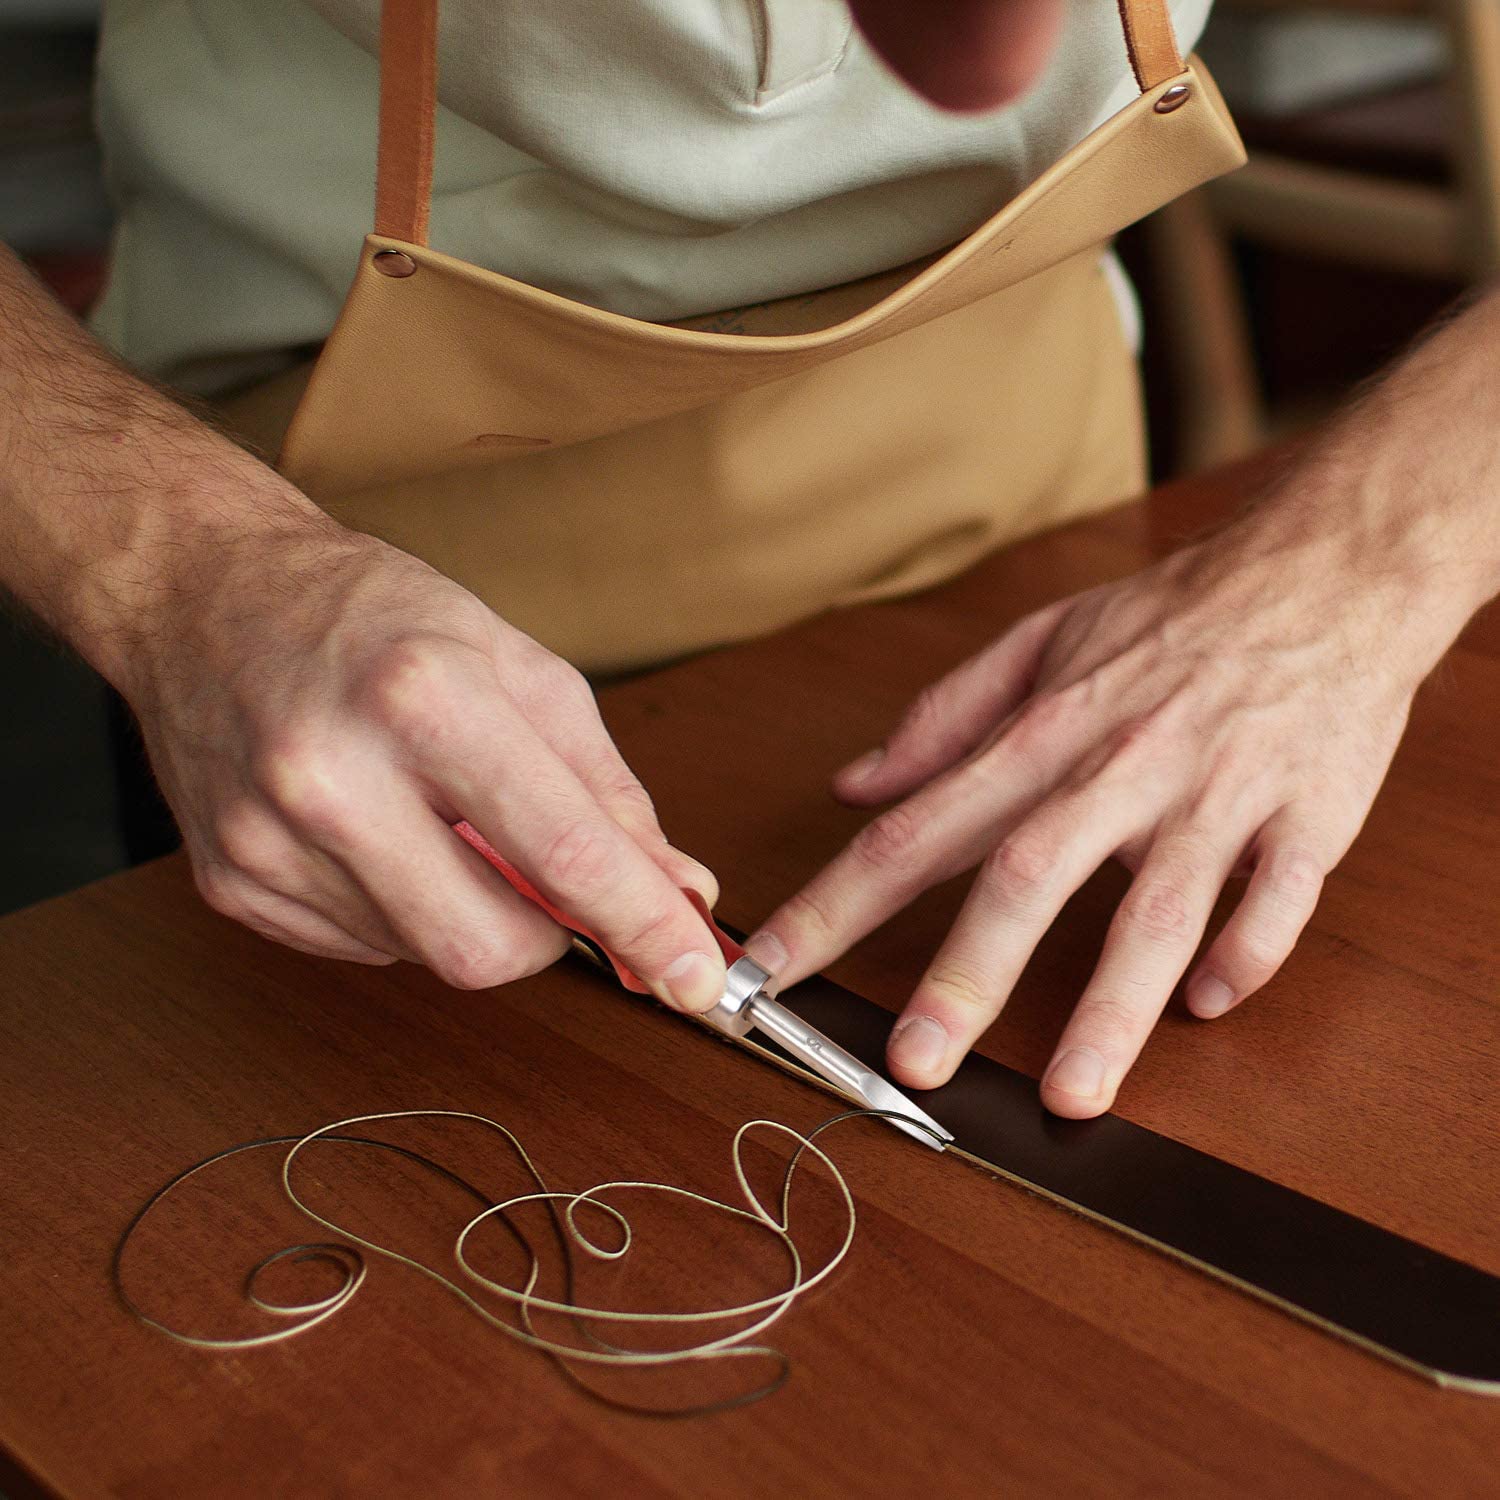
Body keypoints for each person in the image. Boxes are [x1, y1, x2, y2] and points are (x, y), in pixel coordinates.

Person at [1, 0, 1495, 1122]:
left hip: (1033, 529)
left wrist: (1363, 566)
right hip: (299, 624)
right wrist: (175, 570)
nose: (974, 83)